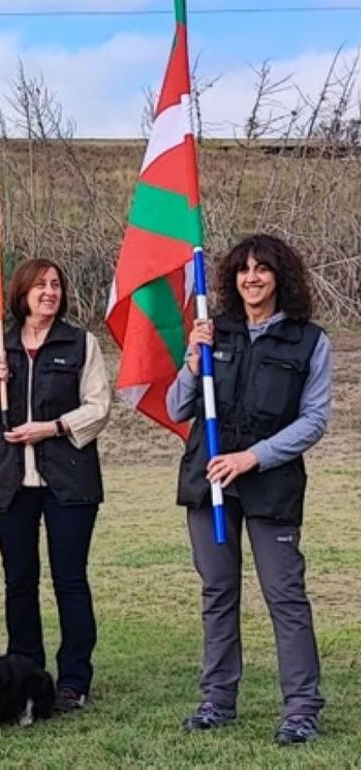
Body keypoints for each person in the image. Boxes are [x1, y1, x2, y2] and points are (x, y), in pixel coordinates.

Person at [168, 234, 331, 745]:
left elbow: (314, 420)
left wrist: (252, 457)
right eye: (243, 269)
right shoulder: (213, 331)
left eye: (263, 269)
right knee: (218, 592)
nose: (252, 278)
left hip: (270, 485)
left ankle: (301, 708)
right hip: (211, 484)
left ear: (281, 278)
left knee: (285, 596)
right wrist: (193, 361)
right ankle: (217, 700)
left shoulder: (310, 341)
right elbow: (176, 407)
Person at [0, 257, 111, 711]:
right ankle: (26, 672)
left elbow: (99, 406)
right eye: (41, 285)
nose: (50, 292)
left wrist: (52, 428)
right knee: (20, 581)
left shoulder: (81, 343)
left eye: (56, 285)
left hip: (69, 480)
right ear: (22, 293)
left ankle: (73, 679)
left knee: (70, 579)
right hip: (11, 482)